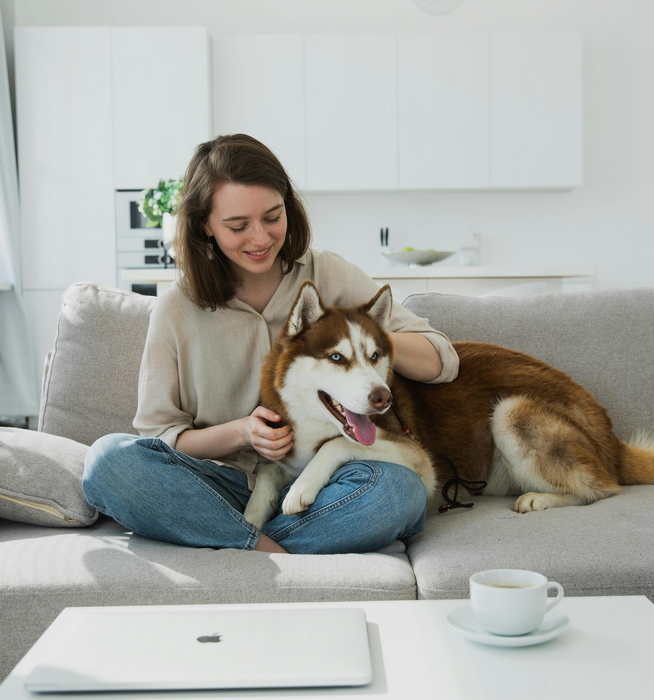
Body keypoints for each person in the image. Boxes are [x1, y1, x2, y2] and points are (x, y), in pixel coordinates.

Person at [83, 134, 459, 555]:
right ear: (205, 225)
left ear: (288, 206)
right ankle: (267, 548)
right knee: (107, 461)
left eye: (272, 216)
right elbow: (162, 435)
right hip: (218, 485)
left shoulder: (328, 273)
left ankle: (242, 547)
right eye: (238, 226)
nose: (260, 238)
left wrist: (358, 334)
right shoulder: (176, 309)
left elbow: (441, 360)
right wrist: (243, 433)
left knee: (398, 491)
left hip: (324, 482)